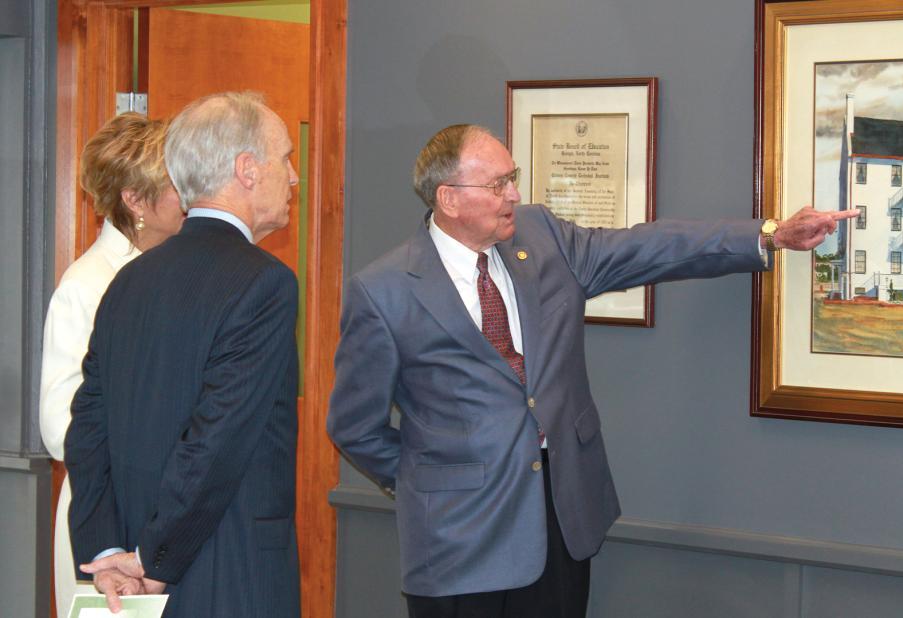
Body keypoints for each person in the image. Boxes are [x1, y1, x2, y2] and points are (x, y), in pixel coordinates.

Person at [326, 124, 856, 618]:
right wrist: (433, 481)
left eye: (512, 179)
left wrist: (769, 235)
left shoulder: (542, 236)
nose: (514, 194)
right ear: (449, 198)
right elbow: (354, 424)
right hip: (458, 545)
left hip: (561, 522)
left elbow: (648, 247)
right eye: (498, 184)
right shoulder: (384, 291)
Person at [64, 91, 301, 617]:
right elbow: (215, 438)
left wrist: (106, 552)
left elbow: (87, 428)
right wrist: (152, 560)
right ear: (246, 169)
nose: (293, 177)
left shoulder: (128, 280)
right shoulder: (265, 283)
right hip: (228, 571)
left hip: (129, 579)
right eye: (284, 158)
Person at [40, 112, 183, 614]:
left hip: (169, 517)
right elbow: (60, 426)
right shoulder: (85, 285)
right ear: (136, 200)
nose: (189, 194)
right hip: (106, 515)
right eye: (174, 182)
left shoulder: (178, 274)